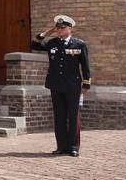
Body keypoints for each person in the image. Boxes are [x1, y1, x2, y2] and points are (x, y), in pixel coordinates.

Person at [31, 15, 91, 157]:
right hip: (56, 85)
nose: (59, 30)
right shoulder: (53, 43)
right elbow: (33, 45)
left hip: (72, 86)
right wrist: (48, 33)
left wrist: (86, 84)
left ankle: (73, 147)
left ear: (70, 28)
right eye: (57, 28)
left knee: (73, 116)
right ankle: (61, 146)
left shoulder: (79, 44)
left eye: (62, 28)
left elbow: (85, 66)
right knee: (59, 117)